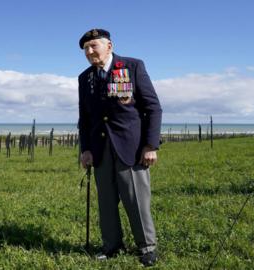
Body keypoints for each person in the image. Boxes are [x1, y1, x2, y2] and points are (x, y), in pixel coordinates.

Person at [78, 28, 162, 267]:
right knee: (106, 200)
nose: (89, 51)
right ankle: (112, 245)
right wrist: (85, 149)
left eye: (94, 45)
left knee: (135, 199)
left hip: (131, 147)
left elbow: (153, 108)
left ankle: (147, 247)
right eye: (86, 48)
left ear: (109, 46)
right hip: (100, 148)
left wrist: (150, 144)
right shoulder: (85, 78)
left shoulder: (132, 66)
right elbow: (84, 118)